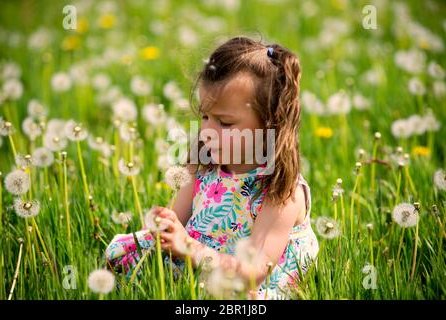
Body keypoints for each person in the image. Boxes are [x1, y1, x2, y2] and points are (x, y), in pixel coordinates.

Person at [105, 36, 319, 300]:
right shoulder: (203, 163)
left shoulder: (282, 191)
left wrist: (189, 247)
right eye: (205, 116)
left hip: (246, 281)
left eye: (225, 123)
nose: (207, 131)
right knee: (131, 258)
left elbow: (254, 271)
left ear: (270, 124)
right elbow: (178, 219)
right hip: (199, 261)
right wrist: (167, 225)